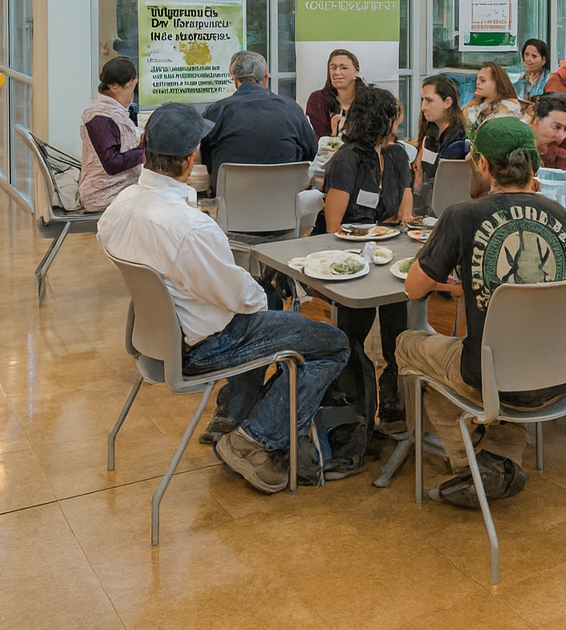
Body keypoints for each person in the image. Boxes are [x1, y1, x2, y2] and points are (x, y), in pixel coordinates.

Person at [97, 103, 349, 493]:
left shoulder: (118, 208)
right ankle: (256, 439)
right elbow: (240, 299)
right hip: (205, 347)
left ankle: (233, 414)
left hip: (156, 339)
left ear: (145, 150)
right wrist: (260, 296)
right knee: (329, 342)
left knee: (262, 309)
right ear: (190, 159)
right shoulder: (191, 228)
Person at [398, 116, 566, 507]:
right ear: (532, 163)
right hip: (561, 373)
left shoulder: (462, 216)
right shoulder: (563, 216)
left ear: (481, 164)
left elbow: (415, 288)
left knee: (408, 345)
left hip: (494, 376)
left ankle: (470, 465)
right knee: (473, 355)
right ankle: (502, 450)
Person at [312, 86, 413, 429]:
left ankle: (394, 390)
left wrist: (387, 233)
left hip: (390, 250)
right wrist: (372, 236)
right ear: (381, 119)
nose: (400, 121)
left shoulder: (398, 155)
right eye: (395, 115)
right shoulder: (347, 158)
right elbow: (334, 224)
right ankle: (354, 401)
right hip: (349, 255)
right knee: (356, 326)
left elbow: (404, 214)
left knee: (399, 314)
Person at [200, 50, 317, 192]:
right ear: (265, 77)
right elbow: (311, 153)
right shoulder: (292, 109)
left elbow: (205, 161)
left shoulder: (216, 111)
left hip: (231, 205)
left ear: (235, 79)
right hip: (285, 206)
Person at [77, 56, 143, 211]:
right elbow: (112, 163)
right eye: (131, 87)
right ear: (113, 86)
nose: (133, 94)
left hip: (120, 187)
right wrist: (144, 152)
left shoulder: (111, 112)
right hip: (103, 194)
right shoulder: (99, 118)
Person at [413, 74, 470, 212]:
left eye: (429, 100)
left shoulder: (460, 142)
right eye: (422, 100)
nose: (423, 107)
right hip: (429, 207)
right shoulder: (430, 136)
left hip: (452, 210)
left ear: (448, 102)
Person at [304, 48, 367, 139]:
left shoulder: (370, 100)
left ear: (356, 71)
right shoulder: (317, 100)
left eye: (343, 68)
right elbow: (321, 138)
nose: (337, 72)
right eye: (333, 68)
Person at [461, 61, 524, 133]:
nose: (477, 83)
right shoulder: (471, 107)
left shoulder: (509, 109)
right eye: (477, 79)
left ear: (497, 83)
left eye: (483, 80)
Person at [529, 93, 566, 180]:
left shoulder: (565, 159)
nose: (561, 136)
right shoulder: (515, 154)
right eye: (557, 127)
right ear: (536, 122)